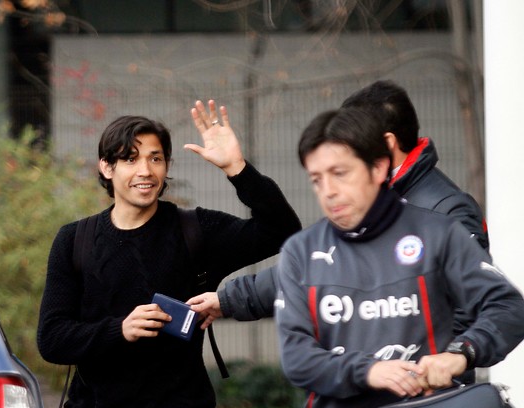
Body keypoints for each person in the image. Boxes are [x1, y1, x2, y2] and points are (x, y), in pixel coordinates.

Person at [36, 100, 301, 408]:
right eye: (130, 159)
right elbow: (52, 340)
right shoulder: (75, 240)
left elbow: (283, 231)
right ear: (106, 167)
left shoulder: (195, 230)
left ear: (166, 166)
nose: (145, 171)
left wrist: (237, 168)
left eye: (155, 159)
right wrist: (120, 329)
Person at [275, 107, 524, 408]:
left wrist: (461, 353)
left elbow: (508, 307)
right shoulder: (301, 251)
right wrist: (369, 370)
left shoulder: (438, 234)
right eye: (316, 179)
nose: (329, 191)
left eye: (340, 173)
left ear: (378, 167)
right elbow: (297, 357)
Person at [188, 80, 489, 333]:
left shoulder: (447, 210)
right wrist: (227, 300)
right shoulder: (365, 199)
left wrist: (433, 363)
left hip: (423, 396)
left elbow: (478, 308)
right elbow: (315, 265)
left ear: (387, 143)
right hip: (361, 386)